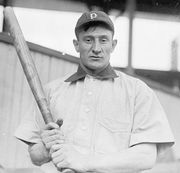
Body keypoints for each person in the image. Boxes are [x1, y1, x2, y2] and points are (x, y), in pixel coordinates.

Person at [15, 11, 175, 173]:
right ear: (76, 44)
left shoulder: (137, 91)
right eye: (88, 40)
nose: (96, 49)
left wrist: (85, 162)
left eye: (103, 40)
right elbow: (36, 156)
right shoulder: (51, 90)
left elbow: (146, 156)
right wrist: (45, 147)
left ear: (113, 45)